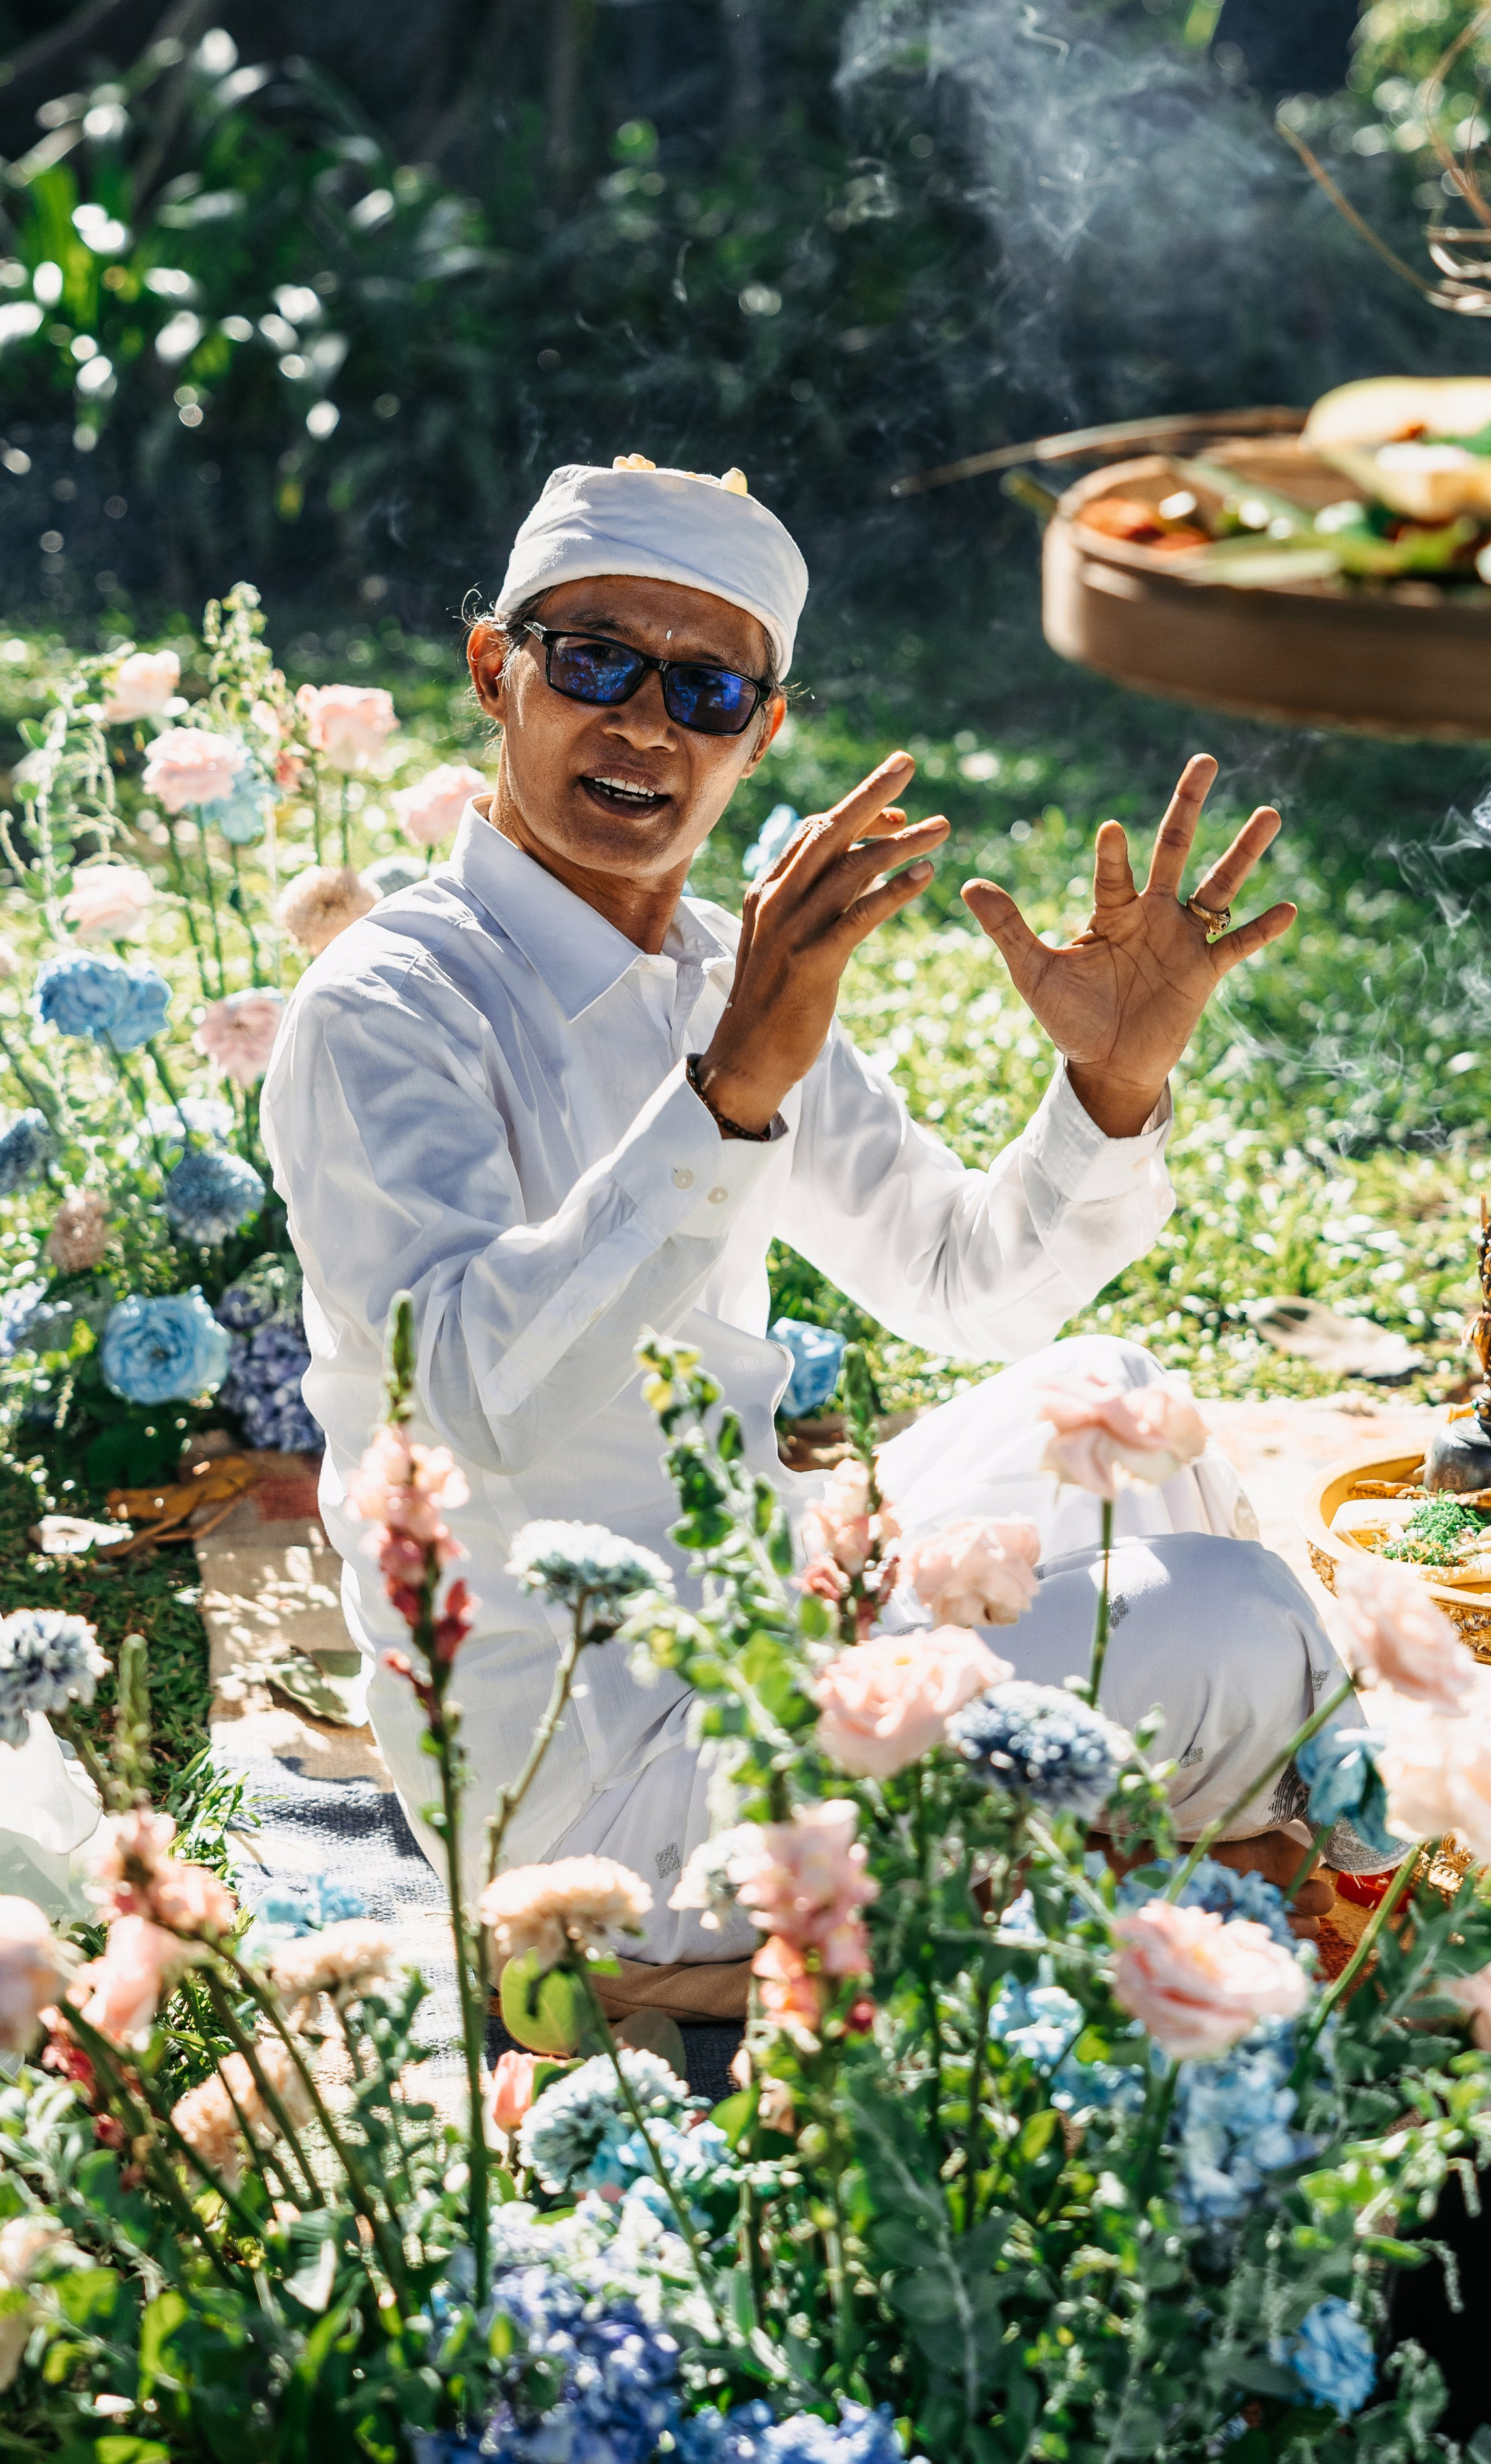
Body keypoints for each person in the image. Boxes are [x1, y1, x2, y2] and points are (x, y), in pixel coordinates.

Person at [264, 455, 1377, 1991]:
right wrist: (729, 1091)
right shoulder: (385, 1007)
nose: (646, 722)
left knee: (1122, 1408)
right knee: (1236, 1619)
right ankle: (1286, 1917)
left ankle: (1204, 1871)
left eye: (707, 690)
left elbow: (964, 1283)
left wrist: (1111, 1088)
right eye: (593, 659)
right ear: (492, 672)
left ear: (761, 731)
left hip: (769, 1626)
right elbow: (472, 1408)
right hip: (587, 1792)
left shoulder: (731, 967)